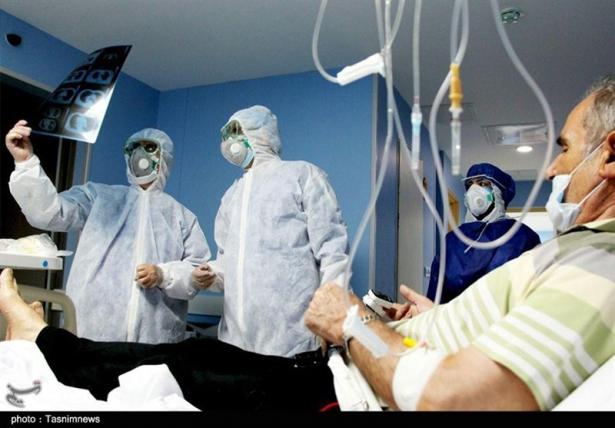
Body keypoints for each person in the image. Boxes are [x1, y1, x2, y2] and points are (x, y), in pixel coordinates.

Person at [3, 76, 615, 411]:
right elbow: (212, 263)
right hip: (248, 331)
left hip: (309, 351)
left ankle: (39, 338)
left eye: (562, 147)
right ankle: (50, 339)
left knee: (185, 366)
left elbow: (332, 248)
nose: (556, 170)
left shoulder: (592, 268)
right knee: (193, 361)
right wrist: (435, 317)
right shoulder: (227, 197)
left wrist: (346, 318)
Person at [5, 121, 211, 343]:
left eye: (150, 147)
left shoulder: (181, 217)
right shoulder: (98, 198)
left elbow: (195, 274)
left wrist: (163, 275)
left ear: (164, 158)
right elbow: (49, 212)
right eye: (134, 148)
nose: (140, 154)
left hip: (155, 341)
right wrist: (26, 163)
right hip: (92, 332)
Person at [192, 105, 349, 358]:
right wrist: (211, 275)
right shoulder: (231, 196)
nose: (228, 141)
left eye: (235, 131)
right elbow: (228, 264)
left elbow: (332, 250)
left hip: (294, 337)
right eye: (225, 135)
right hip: (235, 338)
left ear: (261, 134)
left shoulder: (302, 174)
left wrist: (329, 318)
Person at [426, 163, 540, 303]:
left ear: (498, 192)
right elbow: (435, 294)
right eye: (470, 184)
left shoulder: (522, 236)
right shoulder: (453, 239)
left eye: (483, 183)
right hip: (455, 321)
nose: (474, 189)